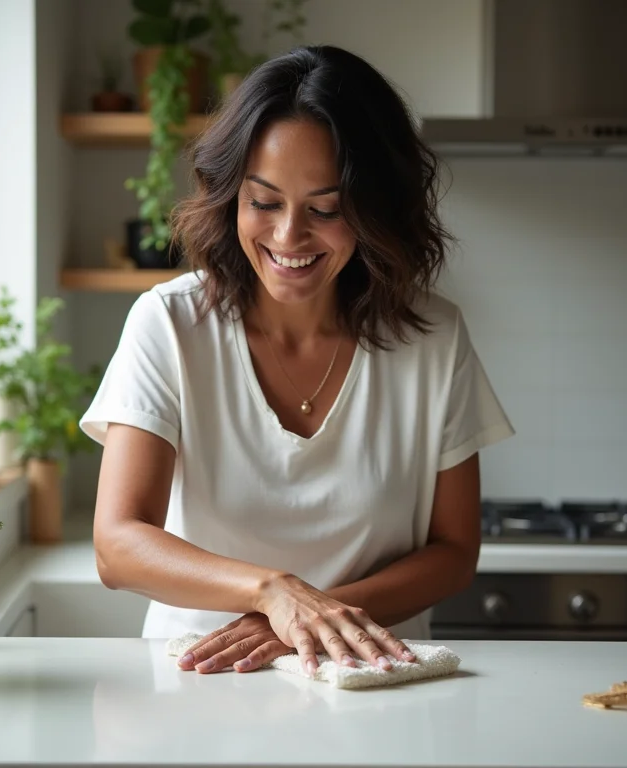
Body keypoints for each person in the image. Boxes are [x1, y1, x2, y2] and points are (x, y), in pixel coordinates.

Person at [79, 44, 514, 678]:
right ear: (232, 196)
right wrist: (272, 593)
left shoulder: (433, 336)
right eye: (264, 202)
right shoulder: (169, 324)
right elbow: (118, 545)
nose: (288, 237)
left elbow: (452, 552)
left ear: (374, 211)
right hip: (201, 682)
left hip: (375, 684)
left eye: (325, 210)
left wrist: (304, 621)